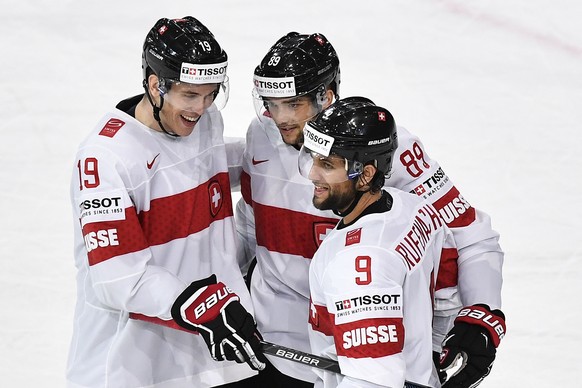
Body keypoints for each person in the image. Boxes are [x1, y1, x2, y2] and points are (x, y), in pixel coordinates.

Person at [235, 32, 506, 387]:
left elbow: (471, 238)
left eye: (292, 104)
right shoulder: (261, 134)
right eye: (270, 103)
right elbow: (250, 226)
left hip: (364, 353)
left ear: (326, 96)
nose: (278, 117)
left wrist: (480, 317)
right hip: (267, 348)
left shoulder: (384, 150)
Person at [67, 17, 266, 388]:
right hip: (134, 366)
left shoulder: (205, 122)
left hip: (215, 355)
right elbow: (119, 278)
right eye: (190, 95)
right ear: (156, 85)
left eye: (210, 95)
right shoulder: (104, 158)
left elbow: (206, 167)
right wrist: (201, 306)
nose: (201, 108)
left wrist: (281, 156)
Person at [303, 96, 452, 387]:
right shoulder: (412, 208)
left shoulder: (357, 262)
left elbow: (374, 381)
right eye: (312, 159)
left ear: (365, 174)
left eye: (327, 164)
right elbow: (447, 297)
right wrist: (431, 354)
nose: (312, 174)